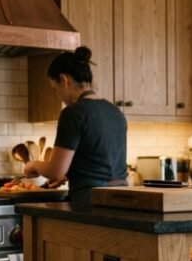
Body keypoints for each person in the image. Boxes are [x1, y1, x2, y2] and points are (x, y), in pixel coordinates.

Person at [23, 46, 128, 206]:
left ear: (64, 80)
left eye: (55, 89)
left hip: (91, 201)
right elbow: (99, 163)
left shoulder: (72, 113)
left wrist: (32, 164)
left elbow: (55, 170)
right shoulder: (115, 111)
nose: (57, 95)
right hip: (123, 199)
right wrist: (68, 175)